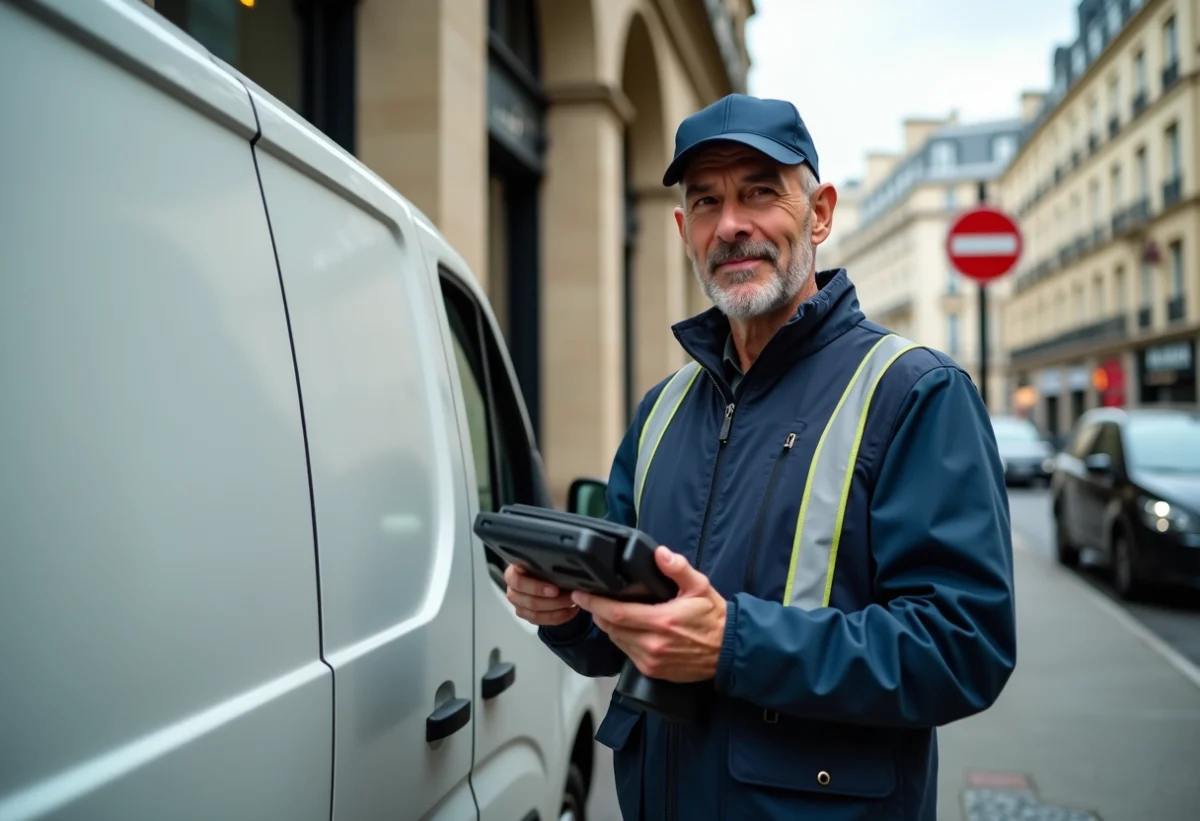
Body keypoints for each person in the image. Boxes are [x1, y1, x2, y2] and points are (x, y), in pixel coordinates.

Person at [504, 93, 1016, 820]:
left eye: (760, 192)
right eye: (706, 201)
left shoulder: (915, 392)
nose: (731, 224)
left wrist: (734, 644)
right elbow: (625, 636)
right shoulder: (663, 410)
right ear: (684, 231)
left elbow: (965, 647)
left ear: (821, 213)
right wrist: (566, 612)